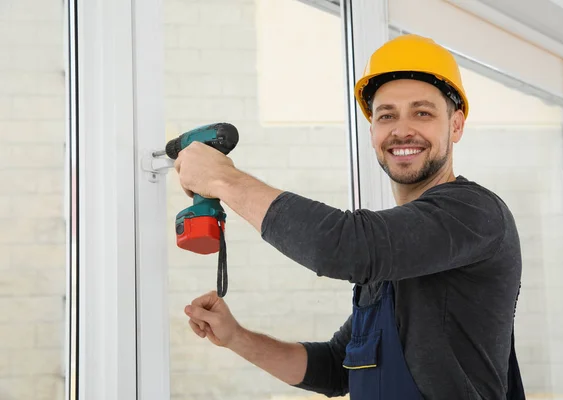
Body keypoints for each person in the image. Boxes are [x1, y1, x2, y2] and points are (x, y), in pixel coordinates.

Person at [175, 34, 526, 400]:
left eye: (422, 113)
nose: (401, 129)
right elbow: (333, 368)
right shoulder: (393, 250)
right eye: (386, 115)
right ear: (373, 131)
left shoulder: (474, 213)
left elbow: (342, 247)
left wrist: (223, 178)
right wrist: (236, 337)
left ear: (455, 125)